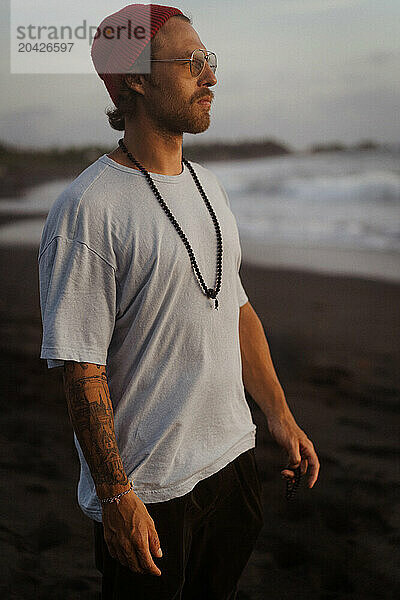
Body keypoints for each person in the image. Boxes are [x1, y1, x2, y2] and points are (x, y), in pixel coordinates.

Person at [38, 4, 320, 599]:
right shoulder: (88, 210)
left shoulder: (207, 185)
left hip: (233, 464)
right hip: (152, 491)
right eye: (192, 63)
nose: (209, 76)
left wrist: (278, 414)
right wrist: (117, 497)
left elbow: (235, 309)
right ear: (135, 79)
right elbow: (81, 368)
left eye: (208, 60)